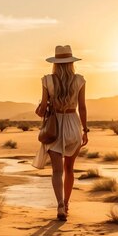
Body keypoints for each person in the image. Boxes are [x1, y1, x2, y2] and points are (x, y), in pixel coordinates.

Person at [33, 45, 89, 221]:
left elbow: (42, 110)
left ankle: (59, 206)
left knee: (57, 171)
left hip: (55, 126)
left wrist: (41, 108)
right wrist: (85, 130)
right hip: (73, 124)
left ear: (55, 63)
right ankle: (66, 203)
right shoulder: (79, 80)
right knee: (69, 169)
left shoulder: (47, 80)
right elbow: (83, 107)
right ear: (71, 63)